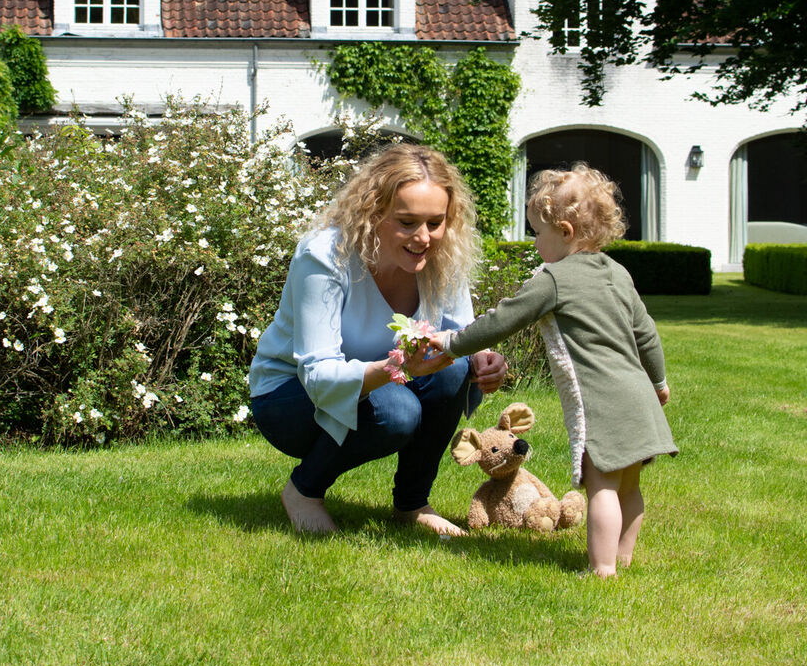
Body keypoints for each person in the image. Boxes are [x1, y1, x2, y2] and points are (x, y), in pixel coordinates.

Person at [429, 164, 677, 578]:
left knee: (602, 487)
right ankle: (624, 558)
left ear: (564, 231)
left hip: (603, 401)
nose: (534, 242)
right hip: (638, 396)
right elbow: (646, 334)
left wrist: (453, 343)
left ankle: (602, 568)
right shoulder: (619, 273)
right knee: (630, 487)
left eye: (537, 233)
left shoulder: (554, 279)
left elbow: (503, 320)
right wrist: (659, 382)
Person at [249, 144, 508, 535]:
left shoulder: (442, 255)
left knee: (454, 366)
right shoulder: (324, 256)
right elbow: (318, 374)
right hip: (290, 396)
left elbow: (460, 333)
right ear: (373, 214)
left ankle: (412, 505)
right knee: (398, 410)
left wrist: (484, 358)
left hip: (383, 382)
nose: (423, 238)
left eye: (435, 222)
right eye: (406, 222)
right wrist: (398, 367)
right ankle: (304, 490)